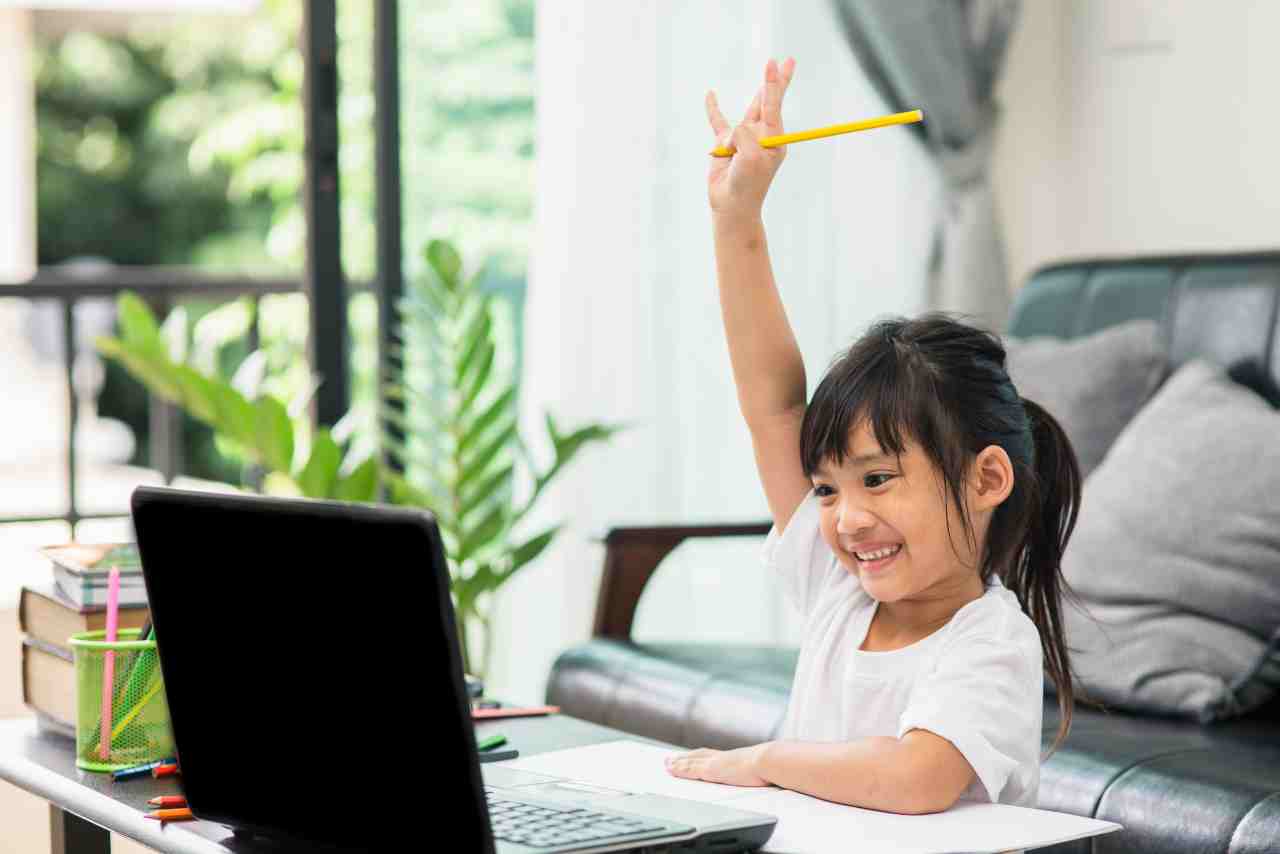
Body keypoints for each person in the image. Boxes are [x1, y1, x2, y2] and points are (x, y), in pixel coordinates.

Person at [663, 57, 1082, 814]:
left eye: (877, 479)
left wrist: (765, 759)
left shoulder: (989, 641)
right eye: (826, 488)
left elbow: (916, 780)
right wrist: (737, 219)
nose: (846, 517)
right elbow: (772, 404)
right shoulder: (839, 592)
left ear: (986, 479)